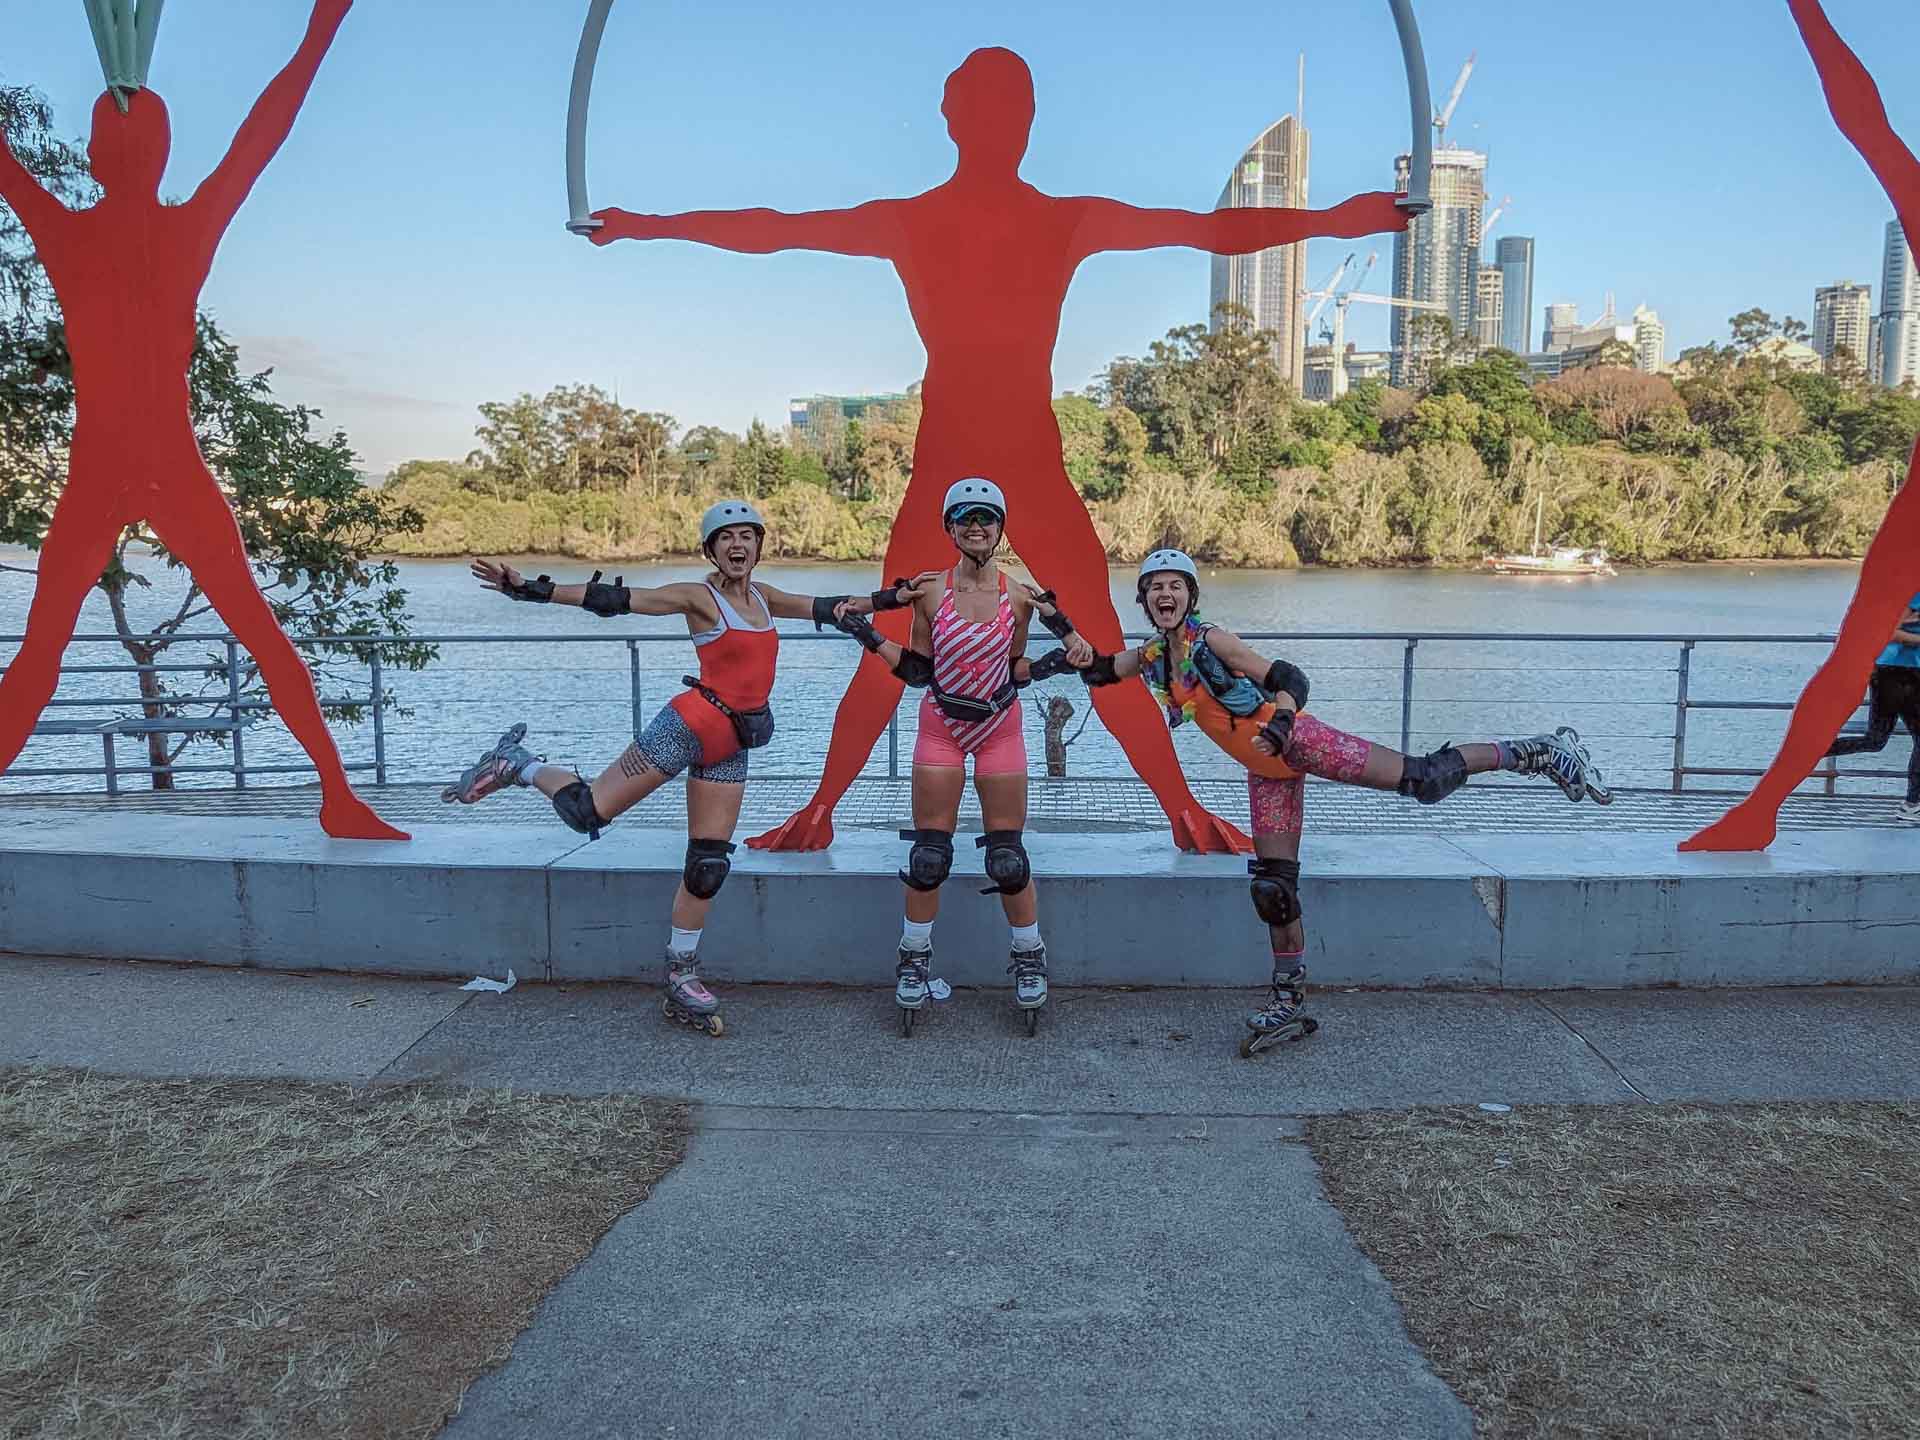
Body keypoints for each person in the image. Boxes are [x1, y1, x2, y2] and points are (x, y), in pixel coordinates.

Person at [586, 46, 1413, 855]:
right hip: (948, 459)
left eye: (1013, 110)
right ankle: (823, 809)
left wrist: (1346, 217)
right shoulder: (922, 221)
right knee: (900, 635)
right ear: (955, 121)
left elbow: (1206, 229)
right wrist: (640, 226)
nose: (1002, 125)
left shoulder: (1056, 220)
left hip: (1027, 461)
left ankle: (1181, 811)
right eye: (988, 110)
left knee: (1088, 627)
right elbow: (774, 230)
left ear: (1028, 122)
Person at [0, 0, 403, 840]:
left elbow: (5, 164)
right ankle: (336, 792)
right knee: (257, 627)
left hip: (100, 471)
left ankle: (337, 795)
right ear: (166, 152)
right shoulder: (190, 227)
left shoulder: (66, 236)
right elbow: (267, 126)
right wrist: (322, 28)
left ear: (90, 152)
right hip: (172, 468)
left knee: (42, 648)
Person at [1048, 548, 1611, 1056]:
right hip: (1266, 770)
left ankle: (1538, 751)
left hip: (1297, 741)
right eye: (1154, 587)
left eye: (1176, 585)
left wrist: (1286, 719)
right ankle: (1289, 999)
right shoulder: (1154, 656)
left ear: (1191, 596)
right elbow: (1099, 669)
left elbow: (1290, 675)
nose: (1165, 595)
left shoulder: (1211, 641)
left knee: (1422, 779)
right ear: (1143, 599)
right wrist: (1057, 621)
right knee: (1273, 887)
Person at [440, 501, 870, 1036]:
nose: (738, 545)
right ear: (710, 549)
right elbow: (619, 599)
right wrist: (530, 589)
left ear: (760, 545)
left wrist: (900, 597)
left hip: (729, 745)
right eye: (726, 537)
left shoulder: (765, 596)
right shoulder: (699, 596)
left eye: (747, 536)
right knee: (587, 811)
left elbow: (832, 606)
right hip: (685, 726)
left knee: (708, 864)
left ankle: (681, 971)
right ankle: (517, 763)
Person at [824, 478, 1092, 1035]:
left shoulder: (1020, 596)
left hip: (998, 728)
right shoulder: (928, 592)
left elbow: (1016, 669)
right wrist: (868, 635)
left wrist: (1061, 660)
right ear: (950, 528)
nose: (976, 526)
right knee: (929, 856)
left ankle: (1028, 958)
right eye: (965, 518)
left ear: (999, 528)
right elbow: (920, 671)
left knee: (1008, 858)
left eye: (986, 518)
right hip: (941, 726)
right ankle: (914, 960)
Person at [1823, 592, 1920, 823]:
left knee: (1875, 739)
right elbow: (1887, 631)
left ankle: (1815, 750)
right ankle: (1912, 804)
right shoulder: (1913, 594)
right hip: (1901, 673)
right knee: (1879, 739)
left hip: (1894, 672)